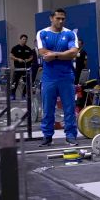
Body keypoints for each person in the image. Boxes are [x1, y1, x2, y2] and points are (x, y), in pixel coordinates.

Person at [36, 8, 79, 147]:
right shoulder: (42, 33)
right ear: (51, 18)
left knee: (69, 108)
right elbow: (42, 53)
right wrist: (63, 54)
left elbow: (73, 52)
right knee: (48, 109)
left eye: (63, 19)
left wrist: (54, 55)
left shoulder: (70, 34)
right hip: (49, 78)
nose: (60, 21)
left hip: (66, 77)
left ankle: (71, 136)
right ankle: (47, 136)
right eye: (58, 18)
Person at [10, 34, 33, 100]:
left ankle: (24, 94)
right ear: (20, 39)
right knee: (15, 82)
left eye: (26, 39)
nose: (25, 40)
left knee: (27, 82)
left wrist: (27, 60)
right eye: (23, 39)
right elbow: (11, 56)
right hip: (18, 68)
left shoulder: (28, 49)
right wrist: (17, 59)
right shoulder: (15, 48)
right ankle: (12, 94)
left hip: (25, 68)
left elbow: (31, 57)